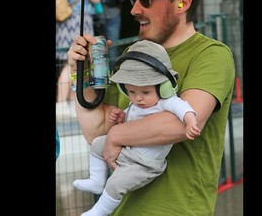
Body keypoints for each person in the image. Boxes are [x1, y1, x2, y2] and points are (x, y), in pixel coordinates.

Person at [67, 0, 235, 215]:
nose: (134, 10)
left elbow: (182, 124)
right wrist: (78, 74)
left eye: (146, 0)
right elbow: (98, 132)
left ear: (182, 3)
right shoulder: (132, 55)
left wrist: (117, 136)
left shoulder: (211, 55)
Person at [73, 40, 200, 216]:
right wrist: (121, 117)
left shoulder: (166, 102)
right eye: (131, 92)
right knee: (96, 144)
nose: (138, 98)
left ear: (164, 87)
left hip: (145, 164)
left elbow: (183, 108)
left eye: (145, 92)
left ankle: (98, 212)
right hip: (127, 150)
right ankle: (96, 180)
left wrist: (191, 120)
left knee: (116, 183)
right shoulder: (138, 104)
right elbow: (131, 117)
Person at [56, 0, 102, 119]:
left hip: (63, 20)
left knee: (68, 61)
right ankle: (62, 102)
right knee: (72, 63)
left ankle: (69, 101)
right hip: (78, 21)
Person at [91, 0, 135, 68]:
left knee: (113, 48)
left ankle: (113, 75)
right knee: (95, 50)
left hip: (111, 11)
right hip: (92, 15)